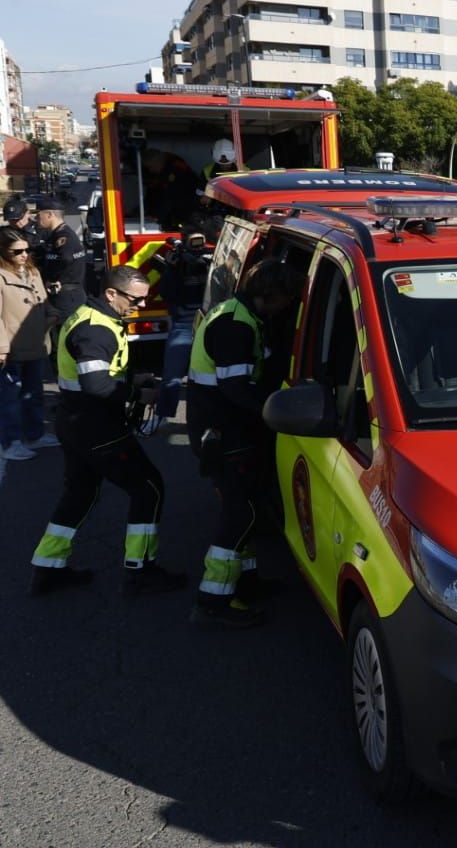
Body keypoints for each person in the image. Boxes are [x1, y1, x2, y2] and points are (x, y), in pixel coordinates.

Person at [27, 265, 187, 596]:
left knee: (80, 493)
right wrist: (137, 393)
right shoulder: (95, 329)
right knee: (148, 488)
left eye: (145, 300)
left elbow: (99, 373)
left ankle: (48, 567)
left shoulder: (90, 316)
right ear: (111, 293)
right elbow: (96, 384)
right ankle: (140, 570)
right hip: (96, 425)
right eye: (135, 299)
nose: (141, 306)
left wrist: (131, 379)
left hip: (74, 422)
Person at [187, 258, 303, 627]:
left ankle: (246, 581)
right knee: (241, 513)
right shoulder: (234, 326)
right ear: (272, 295)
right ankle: (212, 602)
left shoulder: (243, 315)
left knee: (249, 505)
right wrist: (277, 414)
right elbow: (235, 389)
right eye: (288, 298)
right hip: (222, 432)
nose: (290, 306)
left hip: (229, 429)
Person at [0, 227, 57, 460]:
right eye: (17, 251)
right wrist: (2, 349)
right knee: (9, 399)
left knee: (34, 394)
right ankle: (9, 442)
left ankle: (35, 434)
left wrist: (53, 313)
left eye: (26, 249)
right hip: (11, 348)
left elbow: (42, 300)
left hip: (35, 344)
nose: (24, 255)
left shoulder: (32, 271)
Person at [149, 230, 211, 429]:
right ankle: (162, 416)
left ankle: (210, 420)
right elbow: (168, 294)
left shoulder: (211, 260)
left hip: (205, 323)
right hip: (186, 323)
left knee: (207, 377)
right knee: (172, 376)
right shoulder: (178, 264)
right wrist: (172, 269)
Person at [139, 147, 201, 231]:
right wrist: (149, 213)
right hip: (175, 206)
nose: (151, 170)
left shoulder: (176, 169)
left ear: (158, 162)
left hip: (189, 206)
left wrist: (157, 217)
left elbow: (171, 196)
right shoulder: (162, 169)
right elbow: (153, 191)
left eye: (151, 167)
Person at [4, 196, 44, 265]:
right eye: (12, 220)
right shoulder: (3, 233)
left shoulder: (42, 230)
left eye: (19, 218)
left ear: (28, 213)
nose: (16, 222)